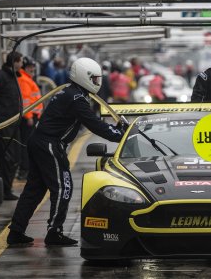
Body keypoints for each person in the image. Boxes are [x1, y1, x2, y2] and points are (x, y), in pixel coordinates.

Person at [7, 57, 125, 246]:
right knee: (63, 188)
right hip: (49, 144)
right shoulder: (76, 98)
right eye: (94, 79)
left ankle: (16, 231)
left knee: (34, 190)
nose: (97, 83)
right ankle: (54, 232)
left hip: (39, 141)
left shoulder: (69, 93)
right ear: (84, 77)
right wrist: (120, 134)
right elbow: (94, 124)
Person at [0, 51, 23, 201]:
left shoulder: (13, 77)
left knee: (14, 156)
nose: (22, 64)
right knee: (6, 157)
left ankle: (7, 189)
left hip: (13, 122)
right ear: (14, 61)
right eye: (20, 61)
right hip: (3, 123)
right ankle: (3, 191)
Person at [16, 56, 43, 180]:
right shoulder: (24, 80)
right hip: (29, 119)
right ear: (24, 67)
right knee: (27, 145)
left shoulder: (27, 79)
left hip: (32, 117)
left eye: (33, 67)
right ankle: (25, 170)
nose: (32, 69)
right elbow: (25, 101)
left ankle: (26, 169)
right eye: (30, 67)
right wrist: (28, 116)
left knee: (29, 144)